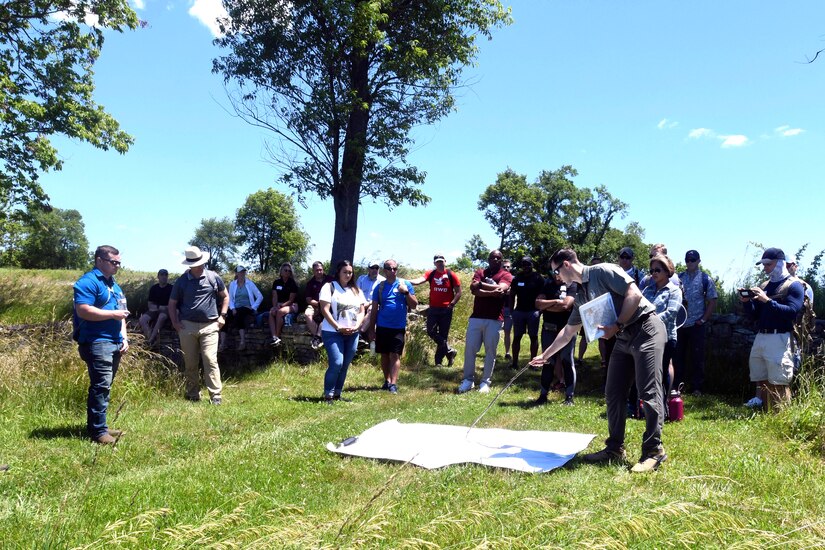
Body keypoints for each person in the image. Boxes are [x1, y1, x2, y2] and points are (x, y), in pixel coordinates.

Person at [529, 248, 667, 473]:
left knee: (649, 392)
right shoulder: (581, 295)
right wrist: (545, 356)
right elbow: (568, 332)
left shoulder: (603, 271)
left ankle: (654, 451)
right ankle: (614, 448)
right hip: (623, 337)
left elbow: (634, 295)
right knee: (613, 392)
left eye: (556, 271)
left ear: (566, 265)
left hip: (646, 329)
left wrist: (617, 325)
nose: (556, 277)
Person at [73, 245, 130, 444]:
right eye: (113, 262)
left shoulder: (114, 285)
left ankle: (100, 426)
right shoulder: (88, 282)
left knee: (105, 386)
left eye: (119, 263)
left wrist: (124, 337)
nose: (117, 266)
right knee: (100, 386)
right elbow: (83, 310)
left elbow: (122, 312)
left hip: (114, 342)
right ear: (99, 260)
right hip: (97, 342)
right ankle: (98, 432)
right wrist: (113, 314)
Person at [741, 248, 804, 410]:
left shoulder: (794, 285)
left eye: (769, 264)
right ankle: (769, 413)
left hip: (780, 338)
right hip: (762, 336)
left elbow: (791, 312)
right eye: (764, 265)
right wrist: (747, 302)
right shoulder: (764, 285)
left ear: (780, 263)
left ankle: (782, 415)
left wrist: (767, 300)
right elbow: (754, 316)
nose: (765, 268)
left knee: (780, 380)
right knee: (761, 378)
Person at [168, 246, 228, 405]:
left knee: (210, 359)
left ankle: (216, 395)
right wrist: (175, 322)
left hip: (210, 325)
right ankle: (193, 393)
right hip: (187, 326)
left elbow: (226, 297)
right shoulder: (181, 281)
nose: (198, 265)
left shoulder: (213, 277)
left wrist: (222, 316)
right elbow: (172, 303)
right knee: (190, 362)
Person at [458, 249, 513, 394]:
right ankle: (468, 380)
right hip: (476, 317)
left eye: (498, 258)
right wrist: (491, 292)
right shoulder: (480, 272)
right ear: (488, 259)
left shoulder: (506, 275)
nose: (495, 260)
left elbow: (502, 288)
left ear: (501, 260)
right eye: (493, 257)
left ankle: (485, 382)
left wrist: (481, 285)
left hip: (495, 319)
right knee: (470, 349)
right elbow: (473, 289)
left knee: (490, 351)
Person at [641, 255, 683, 418]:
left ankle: (662, 407)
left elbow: (672, 313)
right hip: (647, 336)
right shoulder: (647, 290)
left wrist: (651, 320)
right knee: (648, 373)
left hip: (666, 338)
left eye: (657, 270)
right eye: (651, 271)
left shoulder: (674, 290)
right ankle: (648, 406)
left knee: (661, 371)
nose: (654, 273)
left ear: (667, 271)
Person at [319, 260, 366, 403]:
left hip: (352, 333)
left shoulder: (356, 290)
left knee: (345, 364)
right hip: (332, 332)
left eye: (350, 272)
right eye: (345, 272)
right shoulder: (329, 287)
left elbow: (362, 310)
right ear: (338, 272)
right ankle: (328, 395)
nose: (348, 275)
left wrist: (357, 326)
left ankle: (337, 394)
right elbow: (324, 309)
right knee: (337, 363)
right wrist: (338, 327)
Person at [370, 259, 417, 394]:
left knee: (395, 354)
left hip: (398, 327)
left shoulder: (405, 284)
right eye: (390, 269)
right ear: (385, 270)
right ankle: (387, 380)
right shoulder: (380, 287)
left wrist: (406, 292)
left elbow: (414, 305)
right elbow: (374, 309)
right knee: (384, 355)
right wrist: (371, 329)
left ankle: (393, 384)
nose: (393, 271)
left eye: (395, 268)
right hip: (382, 325)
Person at [675, 249, 718, 396]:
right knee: (678, 357)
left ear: (699, 261)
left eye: (693, 260)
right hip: (680, 325)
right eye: (687, 260)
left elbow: (712, 300)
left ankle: (697, 388)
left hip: (696, 325)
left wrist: (703, 319)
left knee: (697, 357)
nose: (690, 263)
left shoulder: (705, 279)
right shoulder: (678, 278)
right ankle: (677, 387)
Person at [534, 270, 578, 405]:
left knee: (567, 361)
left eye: (559, 272)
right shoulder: (547, 284)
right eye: (555, 272)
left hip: (567, 329)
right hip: (548, 328)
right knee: (547, 361)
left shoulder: (572, 285)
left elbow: (566, 305)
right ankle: (543, 395)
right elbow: (538, 304)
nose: (557, 275)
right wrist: (555, 301)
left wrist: (547, 305)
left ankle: (569, 397)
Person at [410, 254, 462, 366]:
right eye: (437, 261)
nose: (440, 263)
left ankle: (438, 362)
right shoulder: (431, 273)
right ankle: (449, 350)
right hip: (433, 308)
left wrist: (452, 304)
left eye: (441, 261)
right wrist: (406, 281)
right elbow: (420, 280)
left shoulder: (450, 274)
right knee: (430, 331)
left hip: (446, 309)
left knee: (443, 334)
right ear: (434, 263)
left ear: (445, 262)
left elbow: (458, 292)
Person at [508, 256, 544, 370]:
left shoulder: (538, 278)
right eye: (524, 264)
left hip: (533, 311)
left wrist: (540, 310)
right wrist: (511, 310)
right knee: (517, 337)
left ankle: (533, 364)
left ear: (532, 265)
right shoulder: (517, 278)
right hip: (519, 311)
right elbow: (512, 294)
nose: (526, 266)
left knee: (533, 337)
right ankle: (514, 363)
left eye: (528, 264)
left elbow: (544, 294)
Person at [225, 265, 264, 351]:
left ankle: (242, 341)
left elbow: (260, 296)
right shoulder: (232, 284)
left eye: (243, 272)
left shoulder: (250, 283)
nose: (242, 273)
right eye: (240, 272)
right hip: (236, 308)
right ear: (236, 273)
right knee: (225, 317)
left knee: (240, 313)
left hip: (247, 308)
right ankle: (222, 344)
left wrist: (253, 307)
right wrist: (232, 308)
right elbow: (230, 299)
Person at [356, 260, 385, 354]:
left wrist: (369, 303)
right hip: (360, 304)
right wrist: (362, 303)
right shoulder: (361, 279)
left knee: (372, 309)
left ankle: (359, 333)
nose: (375, 270)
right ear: (368, 269)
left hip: (374, 305)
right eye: (372, 268)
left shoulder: (383, 281)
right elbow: (356, 293)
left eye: (377, 268)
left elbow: (381, 298)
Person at [138, 268, 172, 348]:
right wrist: (159, 307)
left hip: (167, 311)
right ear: (158, 277)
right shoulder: (154, 288)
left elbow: (173, 304)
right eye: (162, 275)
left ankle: (150, 340)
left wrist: (164, 308)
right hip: (155, 310)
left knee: (162, 316)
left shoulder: (171, 288)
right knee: (142, 319)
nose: (164, 277)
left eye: (166, 275)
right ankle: (151, 338)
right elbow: (150, 304)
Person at [268, 262, 299, 347]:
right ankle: (274, 336)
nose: (287, 272)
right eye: (285, 270)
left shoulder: (293, 283)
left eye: (289, 271)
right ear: (281, 271)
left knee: (280, 312)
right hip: (278, 304)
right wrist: (275, 306)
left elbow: (291, 300)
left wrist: (280, 306)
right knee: (271, 312)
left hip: (292, 305)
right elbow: (274, 296)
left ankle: (277, 337)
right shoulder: (276, 282)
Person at [305, 261, 334, 350]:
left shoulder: (330, 280)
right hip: (315, 304)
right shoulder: (310, 283)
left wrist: (325, 304)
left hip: (329, 304)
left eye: (321, 270)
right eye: (317, 270)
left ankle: (317, 338)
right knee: (307, 314)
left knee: (326, 315)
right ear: (313, 271)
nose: (319, 272)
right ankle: (318, 337)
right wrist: (318, 303)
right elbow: (308, 299)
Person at [501, 259, 514, 361]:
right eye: (504, 266)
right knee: (494, 331)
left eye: (507, 267)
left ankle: (507, 352)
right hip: (498, 308)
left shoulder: (514, 280)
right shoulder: (498, 278)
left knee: (507, 331)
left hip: (509, 308)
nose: (506, 268)